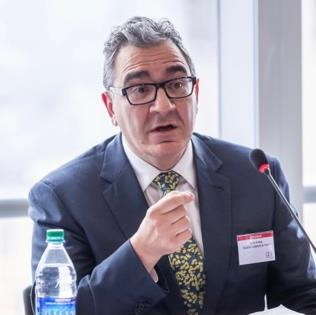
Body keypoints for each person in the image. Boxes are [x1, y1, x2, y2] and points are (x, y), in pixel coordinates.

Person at [29, 16, 316, 315]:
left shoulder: (256, 176)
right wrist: (141, 252)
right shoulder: (63, 197)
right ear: (110, 107)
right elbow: (61, 310)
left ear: (197, 93)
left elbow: (305, 294)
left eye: (177, 84)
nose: (163, 106)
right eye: (140, 89)